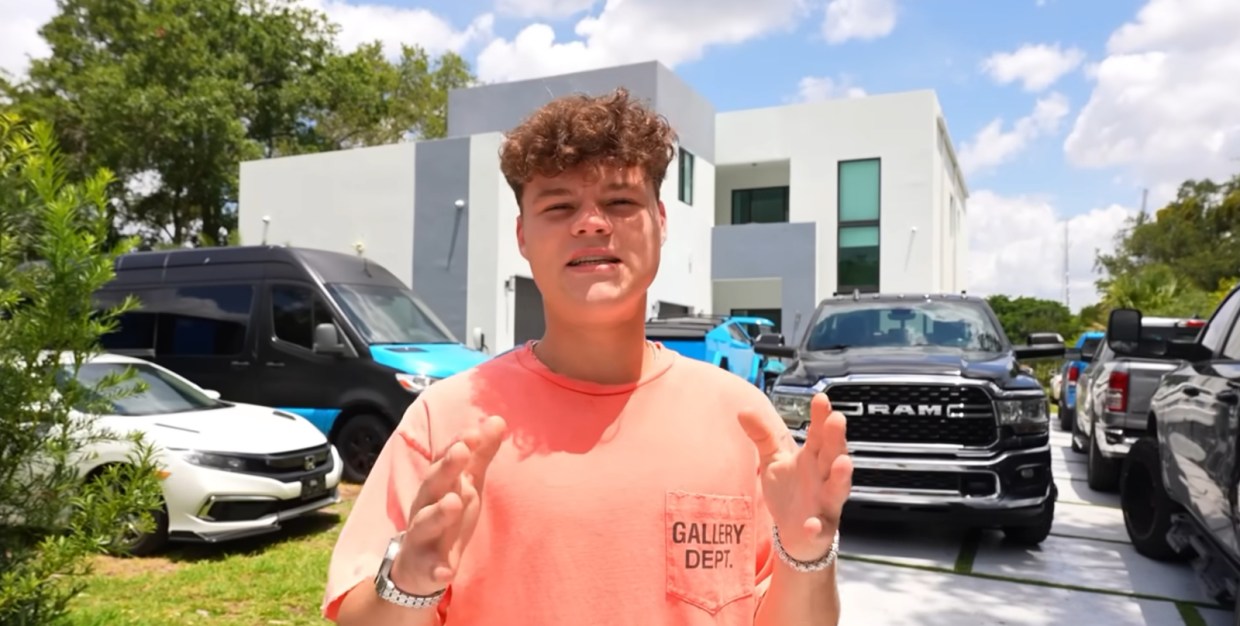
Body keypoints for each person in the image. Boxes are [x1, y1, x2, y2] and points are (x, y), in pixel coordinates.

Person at [321, 87, 853, 626]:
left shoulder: (744, 422)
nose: (592, 222)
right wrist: (408, 582)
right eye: (559, 205)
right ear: (523, 235)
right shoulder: (448, 422)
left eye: (621, 202)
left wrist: (807, 555)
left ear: (661, 223)